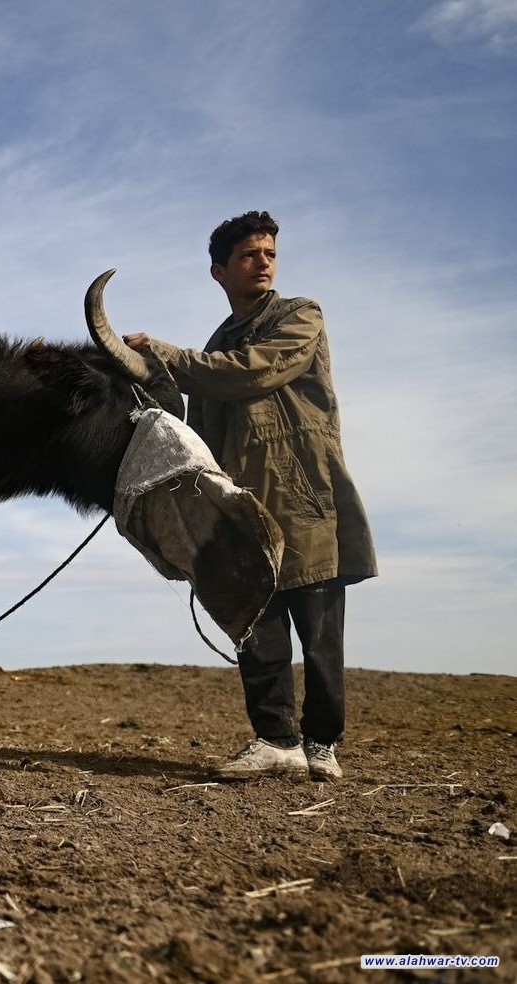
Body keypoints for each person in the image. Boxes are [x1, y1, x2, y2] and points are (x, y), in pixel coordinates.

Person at [124, 211, 377, 781]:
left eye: (268, 254)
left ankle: (323, 745)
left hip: (305, 496)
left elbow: (252, 372)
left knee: (319, 635)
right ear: (219, 272)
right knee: (255, 623)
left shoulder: (299, 317)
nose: (262, 263)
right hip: (244, 506)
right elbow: (205, 415)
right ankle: (276, 740)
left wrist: (167, 355)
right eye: (247, 256)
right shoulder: (218, 344)